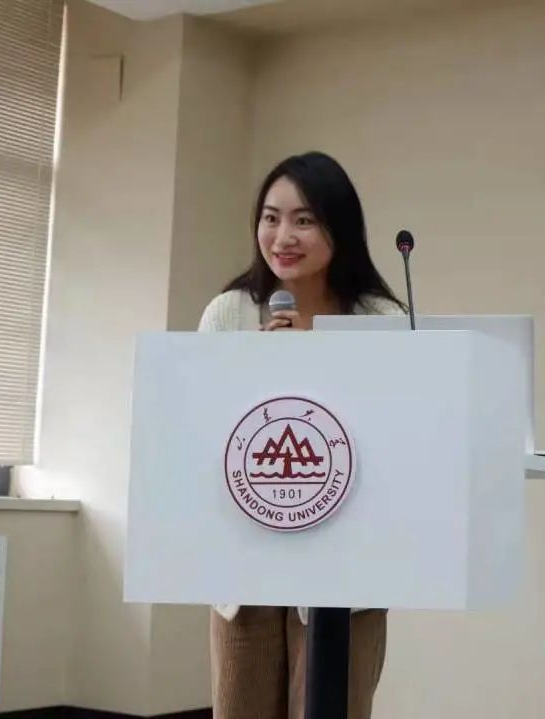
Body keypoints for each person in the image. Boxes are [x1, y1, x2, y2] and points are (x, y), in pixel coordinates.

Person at [198, 150, 405, 719]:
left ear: (340, 228)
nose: (282, 236)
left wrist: (315, 366)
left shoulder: (381, 320)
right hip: (246, 563)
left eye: (304, 219)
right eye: (271, 218)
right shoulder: (229, 313)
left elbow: (396, 440)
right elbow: (199, 430)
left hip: (346, 569)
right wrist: (256, 371)